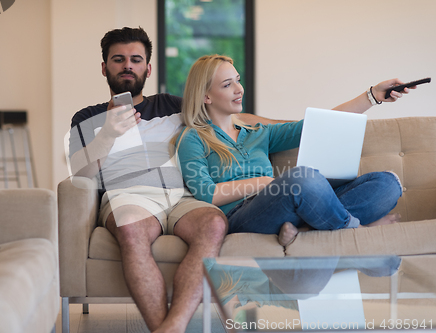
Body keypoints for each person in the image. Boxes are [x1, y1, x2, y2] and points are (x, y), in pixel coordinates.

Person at [67, 28, 270, 333]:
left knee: (214, 224)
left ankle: (172, 327)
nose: (127, 66)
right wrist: (107, 132)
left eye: (136, 59)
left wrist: (294, 123)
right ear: (104, 67)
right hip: (128, 195)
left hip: (181, 195)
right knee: (131, 230)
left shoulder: (173, 106)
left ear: (148, 68)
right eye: (118, 59)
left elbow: (235, 118)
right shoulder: (87, 116)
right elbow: (79, 174)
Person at [175, 54, 411, 247]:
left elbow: (315, 125)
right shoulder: (193, 138)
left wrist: (372, 96)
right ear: (206, 96)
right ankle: (358, 230)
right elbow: (206, 193)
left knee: (387, 183)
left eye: (238, 80)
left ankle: (305, 230)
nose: (239, 89)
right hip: (243, 215)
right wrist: (264, 182)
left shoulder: (258, 132)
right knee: (303, 178)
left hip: (291, 210)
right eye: (228, 85)